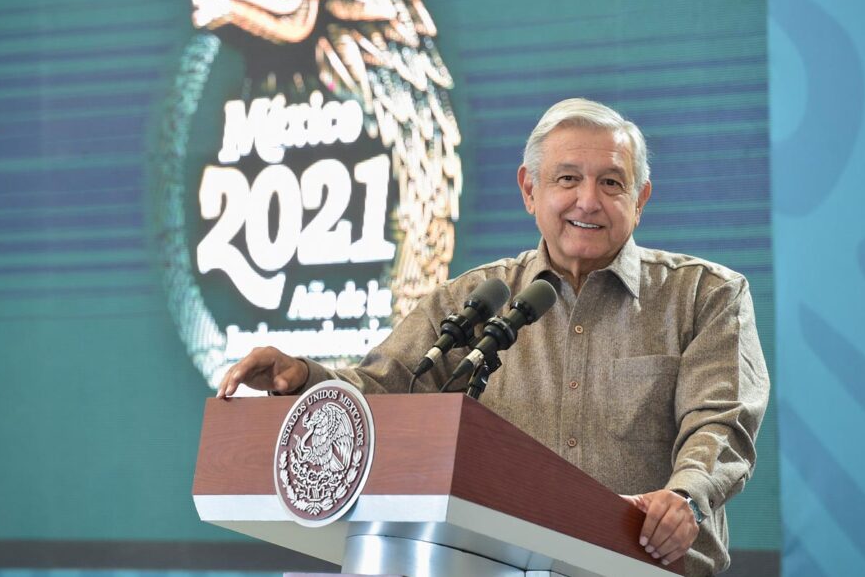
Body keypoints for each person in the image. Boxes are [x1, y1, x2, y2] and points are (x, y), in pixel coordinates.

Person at [218, 97, 770, 576]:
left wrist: (684, 499)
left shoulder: (706, 296)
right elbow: (384, 391)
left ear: (641, 199)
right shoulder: (473, 301)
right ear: (530, 190)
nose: (587, 201)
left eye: (611, 182)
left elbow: (720, 424)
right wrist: (306, 379)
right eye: (567, 179)